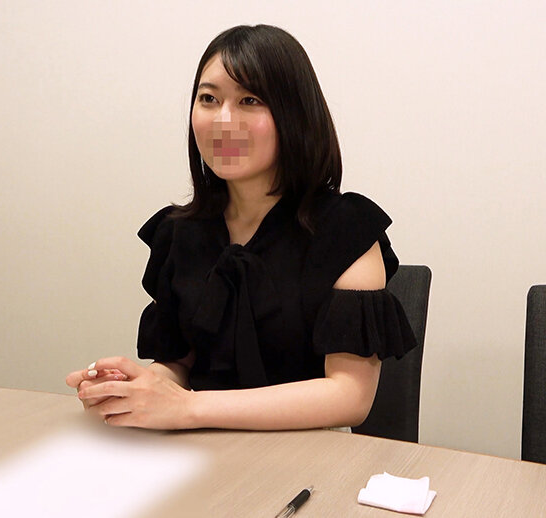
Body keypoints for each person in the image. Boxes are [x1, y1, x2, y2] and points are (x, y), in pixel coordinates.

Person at [66, 24, 416, 431]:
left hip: (311, 452)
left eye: (249, 100)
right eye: (209, 99)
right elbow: (178, 365)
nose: (223, 119)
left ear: (294, 114)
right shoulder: (180, 232)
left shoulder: (348, 229)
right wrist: (133, 390)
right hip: (205, 447)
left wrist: (188, 407)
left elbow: (348, 396)